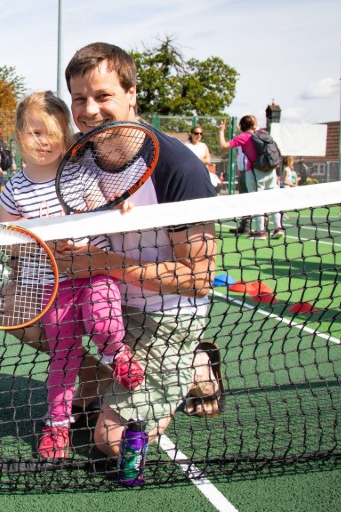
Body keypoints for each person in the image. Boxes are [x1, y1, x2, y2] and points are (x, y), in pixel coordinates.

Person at [60, 42, 219, 459]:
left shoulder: (179, 168)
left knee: (111, 444)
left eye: (102, 96)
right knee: (12, 306)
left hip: (166, 318)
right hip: (107, 306)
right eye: (80, 98)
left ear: (132, 94)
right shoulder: (78, 156)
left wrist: (102, 263)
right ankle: (103, 376)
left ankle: (196, 363)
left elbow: (199, 279)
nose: (89, 110)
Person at [0, 91, 143, 459]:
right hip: (52, 284)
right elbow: (10, 242)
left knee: (103, 321)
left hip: (92, 273)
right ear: (18, 135)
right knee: (63, 356)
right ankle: (57, 425)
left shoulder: (78, 175)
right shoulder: (14, 189)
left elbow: (102, 208)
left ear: (65, 135)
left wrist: (118, 205)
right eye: (33, 133)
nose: (42, 141)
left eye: (51, 132)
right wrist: (35, 237)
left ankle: (116, 356)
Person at [218, 115, 284, 239]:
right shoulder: (264, 133)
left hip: (255, 172)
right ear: (254, 124)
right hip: (271, 170)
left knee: (256, 200)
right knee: (274, 200)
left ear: (241, 126)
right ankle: (278, 228)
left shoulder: (243, 137)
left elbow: (224, 146)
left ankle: (260, 232)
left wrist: (221, 130)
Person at [184, 125, 219, 190]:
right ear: (191, 134)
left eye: (201, 133)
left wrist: (197, 159)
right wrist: (200, 160)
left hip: (202, 174)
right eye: (196, 133)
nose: (199, 135)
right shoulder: (186, 146)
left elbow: (208, 160)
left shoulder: (203, 146)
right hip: (190, 175)